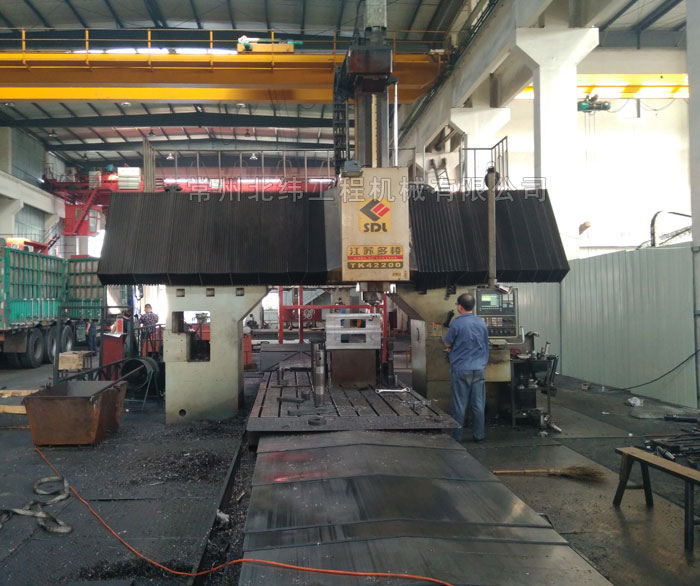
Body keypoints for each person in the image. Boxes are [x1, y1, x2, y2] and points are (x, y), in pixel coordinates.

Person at [443, 293, 490, 442]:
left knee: (459, 405)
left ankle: (457, 437)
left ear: (460, 307)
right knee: (478, 404)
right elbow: (485, 342)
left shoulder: (457, 324)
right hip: (479, 369)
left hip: (461, 369)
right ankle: (479, 435)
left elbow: (447, 343)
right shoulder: (481, 322)